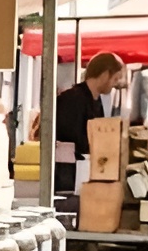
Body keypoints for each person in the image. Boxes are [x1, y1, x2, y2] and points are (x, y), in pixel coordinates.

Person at [54, 52, 127, 189]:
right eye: (115, 79)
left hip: (83, 173)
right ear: (105, 74)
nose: (115, 84)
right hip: (66, 177)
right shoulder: (73, 99)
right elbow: (73, 139)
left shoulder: (96, 100)